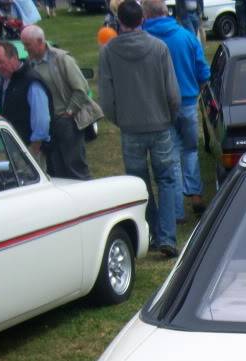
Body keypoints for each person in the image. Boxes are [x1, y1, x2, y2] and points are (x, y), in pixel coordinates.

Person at [99, 0, 181, 257]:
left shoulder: (109, 52)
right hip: (159, 124)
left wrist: (120, 120)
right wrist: (169, 116)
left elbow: (106, 97)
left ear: (118, 21)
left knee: (140, 183)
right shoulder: (158, 48)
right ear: (142, 19)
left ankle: (157, 233)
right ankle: (165, 235)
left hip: (131, 127)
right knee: (166, 179)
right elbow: (172, 92)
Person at [141, 0, 210, 217]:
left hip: (159, 105)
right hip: (187, 100)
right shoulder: (186, 36)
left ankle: (177, 209)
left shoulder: (144, 39)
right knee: (190, 150)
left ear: (147, 14)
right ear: (166, 12)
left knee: (171, 155)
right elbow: (203, 72)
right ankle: (196, 195)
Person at [21, 25, 102, 180]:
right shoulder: (29, 64)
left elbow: (81, 88)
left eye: (28, 45)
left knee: (75, 168)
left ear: (40, 41)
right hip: (47, 125)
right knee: (56, 170)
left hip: (66, 122)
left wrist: (70, 111)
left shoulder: (62, 59)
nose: (26, 49)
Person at [0, 40, 53, 159]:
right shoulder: (6, 79)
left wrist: (33, 150)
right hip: (15, 149)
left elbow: (42, 121)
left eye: (1, 62)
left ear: (14, 58)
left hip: (30, 151)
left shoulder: (31, 82)